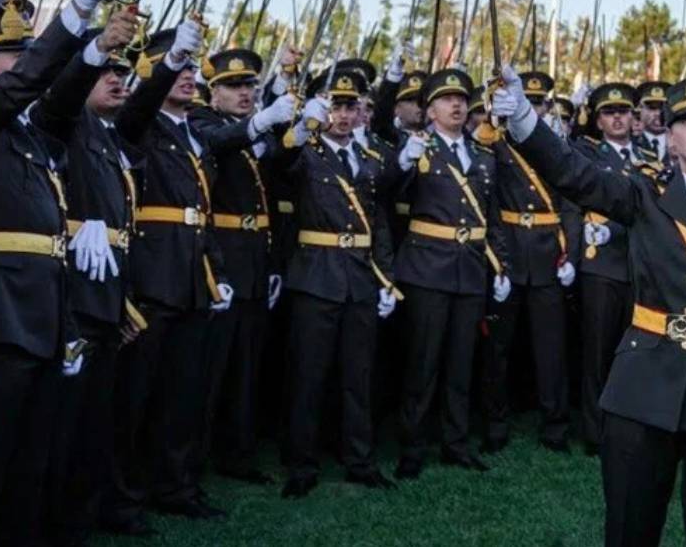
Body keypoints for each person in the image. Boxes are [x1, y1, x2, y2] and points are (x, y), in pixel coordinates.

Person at [492, 69, 686, 547]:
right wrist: (523, 119)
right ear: (671, 137)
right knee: (629, 527)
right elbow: (572, 174)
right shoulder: (641, 193)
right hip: (642, 386)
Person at [0, 0, 131, 547]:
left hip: (41, 319)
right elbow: (30, 83)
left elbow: (56, 99)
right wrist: (78, 10)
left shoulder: (29, 137)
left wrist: (90, 50)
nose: (29, 71)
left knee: (29, 470)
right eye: (17, 59)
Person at [105, 19, 233, 525]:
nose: (185, 77)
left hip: (193, 276)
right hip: (154, 277)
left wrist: (215, 270)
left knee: (183, 395)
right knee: (138, 398)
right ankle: (125, 497)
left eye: (188, 68)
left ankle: (176, 486)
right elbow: (138, 106)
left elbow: (202, 210)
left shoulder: (195, 132)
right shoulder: (136, 122)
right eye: (170, 68)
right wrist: (170, 60)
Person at [30, 8, 141, 544]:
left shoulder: (108, 135)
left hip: (106, 291)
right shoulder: (70, 122)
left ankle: (85, 513)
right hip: (71, 291)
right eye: (105, 72)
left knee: (95, 416)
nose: (117, 79)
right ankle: (60, 519)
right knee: (65, 419)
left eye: (122, 72)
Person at [273, 68, 399, 498]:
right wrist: (302, 123)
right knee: (309, 375)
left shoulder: (369, 160)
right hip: (316, 275)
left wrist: (386, 277)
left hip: (360, 278)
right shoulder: (306, 152)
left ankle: (359, 459)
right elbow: (278, 161)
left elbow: (378, 223)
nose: (343, 115)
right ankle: (302, 464)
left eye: (350, 106)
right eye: (335, 107)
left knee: (357, 376)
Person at [387, 67, 510, 479]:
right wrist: (403, 162)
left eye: (461, 98)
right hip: (427, 267)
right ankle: (413, 445)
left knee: (461, 362)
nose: (456, 105)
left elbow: (492, 217)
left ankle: (456, 443)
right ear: (429, 109)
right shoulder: (416, 149)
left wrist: (501, 264)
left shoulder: (481, 154)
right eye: (445, 99)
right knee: (423, 363)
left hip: (470, 269)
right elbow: (384, 193)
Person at [191, 49, 295, 485]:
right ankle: (193, 459)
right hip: (222, 260)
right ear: (212, 93)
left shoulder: (256, 133)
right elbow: (221, 142)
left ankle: (238, 453)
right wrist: (264, 119)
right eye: (234, 87)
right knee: (210, 370)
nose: (245, 93)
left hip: (254, 259)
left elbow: (272, 193)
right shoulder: (202, 123)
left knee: (245, 368)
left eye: (250, 86)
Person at [482, 70, 579, 453]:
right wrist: (496, 259)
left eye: (539, 103)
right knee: (498, 348)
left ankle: (555, 426)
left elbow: (570, 203)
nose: (534, 109)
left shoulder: (553, 147)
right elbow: (486, 204)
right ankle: (494, 423)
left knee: (551, 349)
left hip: (547, 256)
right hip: (507, 251)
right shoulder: (494, 144)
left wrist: (570, 253)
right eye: (529, 102)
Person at [571, 82, 658, 455]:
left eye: (624, 111)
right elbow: (571, 200)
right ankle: (594, 430)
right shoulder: (588, 153)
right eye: (609, 112)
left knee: (634, 353)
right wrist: (574, 252)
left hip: (637, 264)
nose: (618, 117)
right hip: (601, 263)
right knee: (596, 352)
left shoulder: (649, 153)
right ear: (598, 120)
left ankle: (628, 426)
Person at [635, 80, 671, 164]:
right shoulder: (629, 144)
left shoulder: (680, 144)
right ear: (641, 110)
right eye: (652, 108)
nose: (658, 113)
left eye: (663, 108)